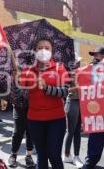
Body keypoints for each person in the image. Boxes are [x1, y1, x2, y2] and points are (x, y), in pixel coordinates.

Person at [17, 38, 69, 169]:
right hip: (34, 120)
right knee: (41, 154)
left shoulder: (59, 68)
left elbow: (64, 92)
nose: (43, 50)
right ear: (35, 51)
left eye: (47, 48)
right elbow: (19, 95)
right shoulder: (28, 70)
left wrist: (47, 88)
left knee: (54, 154)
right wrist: (16, 81)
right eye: (40, 48)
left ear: (52, 51)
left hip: (56, 119)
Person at [82, 47, 104, 169]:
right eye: (93, 55)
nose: (94, 58)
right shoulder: (89, 68)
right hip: (97, 111)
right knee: (95, 137)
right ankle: (90, 161)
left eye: (97, 56)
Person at [8, 82, 35, 168]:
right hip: (18, 105)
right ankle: (13, 155)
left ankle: (29, 156)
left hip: (32, 105)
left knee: (30, 132)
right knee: (17, 132)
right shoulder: (14, 71)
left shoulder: (34, 70)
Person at [63, 55, 83, 168]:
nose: (78, 64)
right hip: (72, 102)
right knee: (71, 131)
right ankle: (67, 154)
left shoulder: (82, 73)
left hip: (81, 102)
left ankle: (76, 156)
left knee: (77, 132)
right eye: (77, 62)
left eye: (79, 62)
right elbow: (65, 90)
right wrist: (77, 87)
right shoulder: (68, 74)